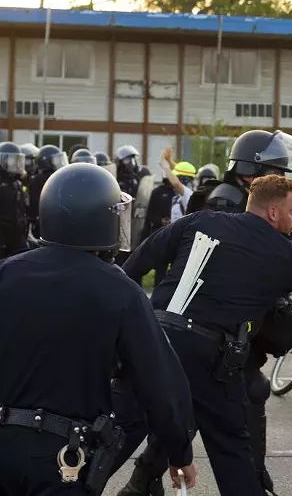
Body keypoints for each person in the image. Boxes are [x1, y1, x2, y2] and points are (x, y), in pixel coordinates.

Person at [114, 175, 292, 496]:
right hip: (209, 358)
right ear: (274, 213)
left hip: (154, 342)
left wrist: (123, 317)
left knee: (115, 436)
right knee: (231, 451)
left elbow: (138, 261)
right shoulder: (283, 251)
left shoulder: (200, 220)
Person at [0, 163, 197, 495]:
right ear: (101, 218)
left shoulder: (6, 273)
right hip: (62, 459)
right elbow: (159, 380)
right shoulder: (119, 290)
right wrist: (179, 450)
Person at [26, 144, 68, 239]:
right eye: (56, 160)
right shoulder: (40, 180)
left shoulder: (58, 177)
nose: (60, 163)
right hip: (44, 224)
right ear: (46, 162)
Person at [0, 142, 28, 259]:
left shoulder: (16, 183)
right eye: (12, 160)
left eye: (17, 160)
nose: (15, 164)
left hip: (16, 233)